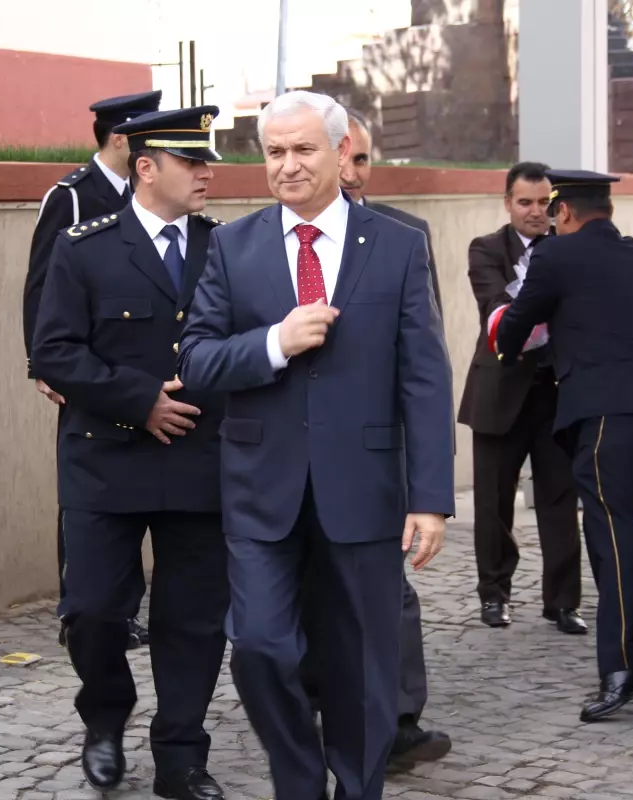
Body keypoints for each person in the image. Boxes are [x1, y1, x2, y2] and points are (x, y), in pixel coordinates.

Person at [177, 90, 455, 800]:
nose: (288, 165)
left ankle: (357, 789)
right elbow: (199, 361)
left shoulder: (396, 245)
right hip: (259, 491)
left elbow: (424, 376)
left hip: (363, 491)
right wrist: (274, 342)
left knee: (363, 665)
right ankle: (300, 781)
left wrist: (429, 499)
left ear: (340, 153)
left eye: (304, 150)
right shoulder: (232, 247)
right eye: (275, 152)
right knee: (262, 648)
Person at [30, 105, 231, 798]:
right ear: (146, 168)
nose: (208, 174)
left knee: (195, 620)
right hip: (104, 460)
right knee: (91, 608)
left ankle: (181, 754)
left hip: (199, 460)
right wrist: (138, 398)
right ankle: (105, 721)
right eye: (191, 162)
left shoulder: (225, 247)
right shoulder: (84, 247)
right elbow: (52, 352)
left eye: (207, 162)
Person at [281, 107, 447, 771]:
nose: (352, 172)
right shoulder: (267, 241)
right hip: (292, 458)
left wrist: (422, 480)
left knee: (386, 597)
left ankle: (397, 718)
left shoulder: (405, 236)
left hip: (375, 460)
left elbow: (423, 362)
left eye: (361, 160)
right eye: (342, 158)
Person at [489, 169, 633, 723]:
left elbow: (515, 327)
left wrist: (508, 340)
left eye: (554, 213)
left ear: (566, 213)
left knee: (612, 539)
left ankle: (624, 665)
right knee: (620, 530)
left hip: (607, 421)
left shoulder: (557, 257)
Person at [23, 89, 162, 651]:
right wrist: (41, 361)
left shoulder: (141, 193)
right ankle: (79, 606)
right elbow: (41, 282)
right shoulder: (75, 196)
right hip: (87, 367)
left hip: (138, 369)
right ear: (122, 138)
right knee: (87, 493)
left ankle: (123, 609)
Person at [456, 162, 585, 634]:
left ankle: (564, 602)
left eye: (543, 203)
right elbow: (497, 309)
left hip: (556, 394)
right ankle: (494, 596)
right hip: (499, 391)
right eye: (525, 202)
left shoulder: (571, 248)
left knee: (559, 502)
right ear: (507, 203)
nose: (535, 212)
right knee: (492, 504)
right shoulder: (486, 249)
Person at [339, 110, 442, 315]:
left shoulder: (409, 234)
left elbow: (428, 332)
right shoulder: (294, 233)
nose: (350, 176)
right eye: (340, 160)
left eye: (360, 160)